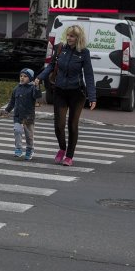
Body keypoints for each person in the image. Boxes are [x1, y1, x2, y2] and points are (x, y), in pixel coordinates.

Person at [35, 25, 96, 166]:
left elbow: (89, 75)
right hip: (60, 91)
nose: (69, 38)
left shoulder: (84, 53)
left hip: (77, 93)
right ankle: (62, 148)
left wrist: (92, 97)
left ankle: (69, 156)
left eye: (72, 36)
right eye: (68, 35)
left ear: (78, 38)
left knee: (72, 125)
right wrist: (39, 77)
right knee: (58, 125)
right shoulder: (60, 49)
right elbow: (51, 66)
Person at [5, 68, 42, 161]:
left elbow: (37, 96)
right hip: (17, 115)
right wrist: (7, 110)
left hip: (28, 116)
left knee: (29, 136)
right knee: (17, 131)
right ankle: (18, 148)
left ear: (30, 78)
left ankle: (29, 149)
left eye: (25, 76)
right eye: (21, 76)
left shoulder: (32, 88)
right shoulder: (16, 89)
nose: (22, 78)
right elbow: (12, 102)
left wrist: (37, 86)